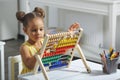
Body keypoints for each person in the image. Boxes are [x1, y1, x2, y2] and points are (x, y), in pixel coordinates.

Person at [16, 7, 80, 74]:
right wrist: (42, 51)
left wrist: (69, 37)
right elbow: (30, 66)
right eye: (34, 30)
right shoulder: (25, 48)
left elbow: (59, 51)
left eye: (41, 29)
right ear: (25, 30)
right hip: (30, 76)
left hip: (44, 73)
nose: (38, 33)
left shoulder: (45, 41)